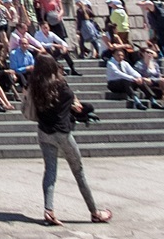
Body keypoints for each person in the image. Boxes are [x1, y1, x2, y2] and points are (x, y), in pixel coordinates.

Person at [26, 52, 110, 225]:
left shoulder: (34, 86)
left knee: (50, 172)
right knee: (78, 172)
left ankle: (48, 210)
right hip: (62, 133)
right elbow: (79, 108)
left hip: (43, 132)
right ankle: (94, 212)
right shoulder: (61, 85)